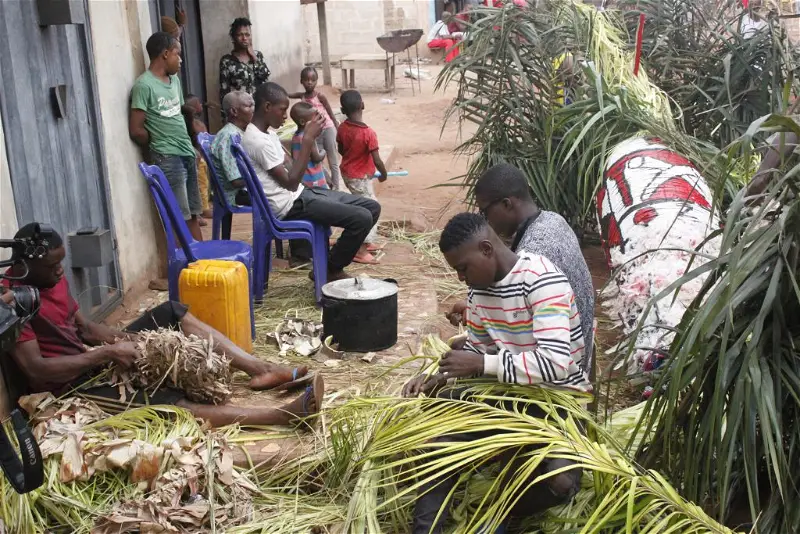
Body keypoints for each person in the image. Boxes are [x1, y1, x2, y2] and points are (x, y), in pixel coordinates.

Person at [4, 223, 322, 428]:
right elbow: (37, 371)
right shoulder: (13, 300)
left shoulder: (50, 280)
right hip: (71, 388)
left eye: (61, 262)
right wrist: (107, 355)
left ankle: (259, 367)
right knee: (168, 403)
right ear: (23, 265)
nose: (61, 271)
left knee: (172, 312)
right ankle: (286, 416)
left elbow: (86, 330)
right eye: (52, 266)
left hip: (93, 362)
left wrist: (141, 340)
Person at [403, 213, 589, 534]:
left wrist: (481, 364)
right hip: (506, 395)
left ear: (487, 249)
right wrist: (442, 375)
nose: (461, 279)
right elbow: (479, 348)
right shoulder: (480, 291)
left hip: (556, 404)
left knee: (560, 482)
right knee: (434, 443)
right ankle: (426, 529)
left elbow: (557, 363)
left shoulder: (542, 282)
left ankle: (502, 511)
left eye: (463, 268)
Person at [446, 164, 596, 368]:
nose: (485, 221)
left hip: (560, 362)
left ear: (507, 204)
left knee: (463, 351)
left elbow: (547, 350)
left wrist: (482, 358)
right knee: (464, 349)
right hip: (556, 332)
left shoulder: (537, 253)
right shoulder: (552, 220)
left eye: (485, 212)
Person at [240, 82, 381, 282]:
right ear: (267, 107)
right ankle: (330, 269)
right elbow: (290, 181)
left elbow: (291, 166)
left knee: (372, 207)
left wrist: (308, 144)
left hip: (300, 193)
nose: (285, 116)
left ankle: (330, 261)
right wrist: (307, 140)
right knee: (362, 218)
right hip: (289, 206)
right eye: (282, 110)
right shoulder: (257, 141)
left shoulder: (268, 134)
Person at [129, 32, 203, 241]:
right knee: (180, 216)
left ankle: (205, 262)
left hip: (185, 153)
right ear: (165, 54)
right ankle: (190, 267)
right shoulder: (144, 86)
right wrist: (157, 143)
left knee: (193, 214)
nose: (180, 60)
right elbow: (136, 129)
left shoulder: (174, 82)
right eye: (177, 54)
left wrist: (192, 146)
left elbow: (179, 115)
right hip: (167, 157)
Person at [337, 90, 387, 263]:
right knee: (372, 208)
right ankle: (361, 248)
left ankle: (366, 240)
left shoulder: (342, 128)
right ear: (363, 105)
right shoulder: (368, 134)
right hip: (359, 177)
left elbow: (341, 150)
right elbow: (378, 161)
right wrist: (384, 175)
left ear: (343, 111)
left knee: (364, 203)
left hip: (349, 173)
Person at [288, 67, 342, 191]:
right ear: (301, 81)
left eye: (313, 80)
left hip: (327, 128)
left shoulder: (320, 96)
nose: (310, 82)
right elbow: (289, 94)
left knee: (333, 160)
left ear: (317, 81)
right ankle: (326, 185)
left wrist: (335, 123)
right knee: (317, 160)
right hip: (313, 131)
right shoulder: (302, 96)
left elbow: (329, 110)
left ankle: (336, 189)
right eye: (306, 80)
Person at [210, 90, 256, 213]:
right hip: (235, 195)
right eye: (248, 106)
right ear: (234, 111)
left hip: (245, 190)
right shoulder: (229, 137)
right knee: (277, 198)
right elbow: (235, 181)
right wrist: (261, 177)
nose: (253, 110)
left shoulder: (240, 132)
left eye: (253, 105)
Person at [219, 18, 271, 105]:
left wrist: (254, 57)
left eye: (247, 34)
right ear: (233, 37)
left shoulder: (257, 55)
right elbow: (224, 91)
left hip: (259, 107)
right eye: (240, 35)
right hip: (240, 110)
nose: (244, 38)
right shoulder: (227, 61)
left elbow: (265, 77)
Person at [182, 94, 212, 224]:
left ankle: (202, 209)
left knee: (204, 185)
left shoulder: (198, 123)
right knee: (200, 186)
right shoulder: (192, 125)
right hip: (196, 161)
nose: (201, 105)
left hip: (202, 160)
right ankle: (202, 211)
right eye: (198, 103)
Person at [290, 102, 329, 190]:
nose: (319, 118)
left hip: (303, 179)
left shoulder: (295, 136)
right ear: (303, 122)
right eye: (315, 117)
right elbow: (317, 158)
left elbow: (294, 158)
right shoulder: (309, 137)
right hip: (314, 179)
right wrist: (324, 151)